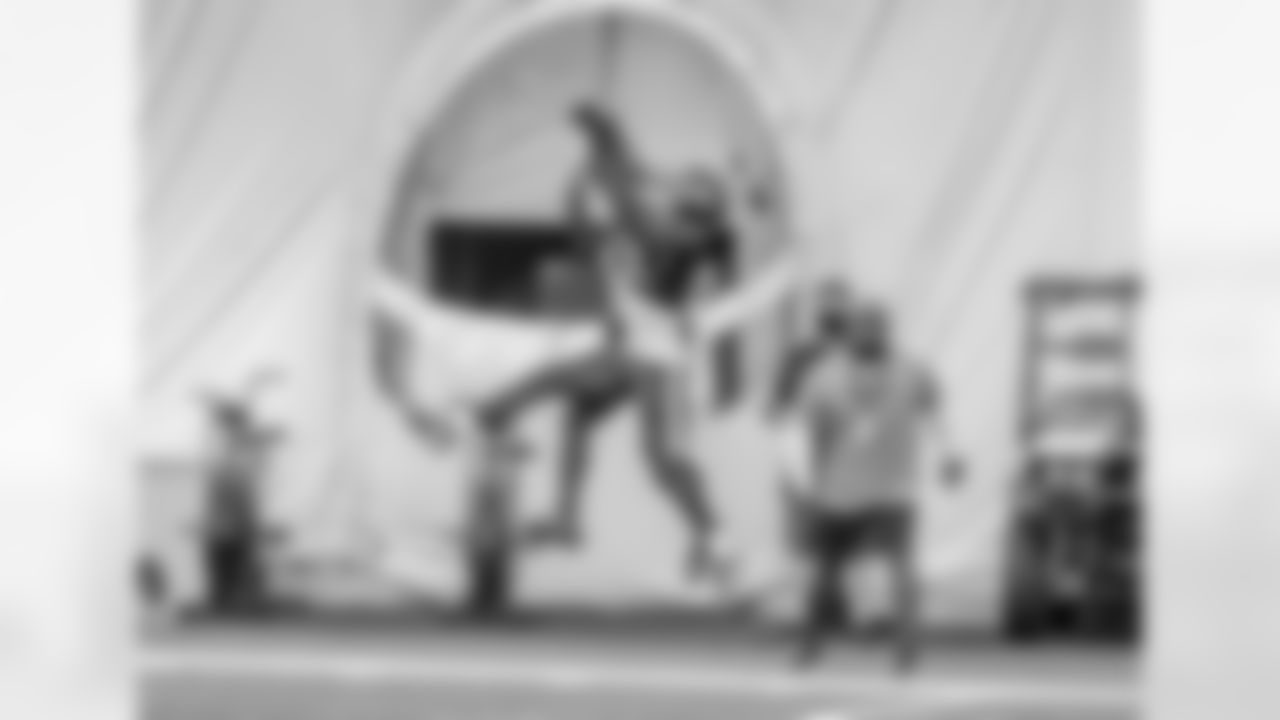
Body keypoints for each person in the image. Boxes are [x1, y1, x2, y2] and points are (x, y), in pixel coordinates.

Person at [476, 101, 739, 584]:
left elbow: (629, 195)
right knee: (583, 415)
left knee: (659, 457)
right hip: (637, 350)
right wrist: (593, 173)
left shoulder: (675, 239)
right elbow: (608, 214)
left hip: (655, 359)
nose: (669, 194)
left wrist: (605, 136)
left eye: (684, 193)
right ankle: (568, 520)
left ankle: (714, 539)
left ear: (695, 213)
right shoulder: (648, 230)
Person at [772, 283, 961, 671]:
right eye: (866, 326)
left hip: (875, 491)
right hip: (851, 492)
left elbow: (937, 417)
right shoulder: (832, 375)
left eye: (876, 326)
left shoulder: (902, 371)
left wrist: (950, 454)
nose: (871, 333)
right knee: (840, 571)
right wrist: (804, 481)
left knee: (884, 568)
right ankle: (820, 646)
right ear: (853, 331)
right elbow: (800, 431)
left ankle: (894, 649)